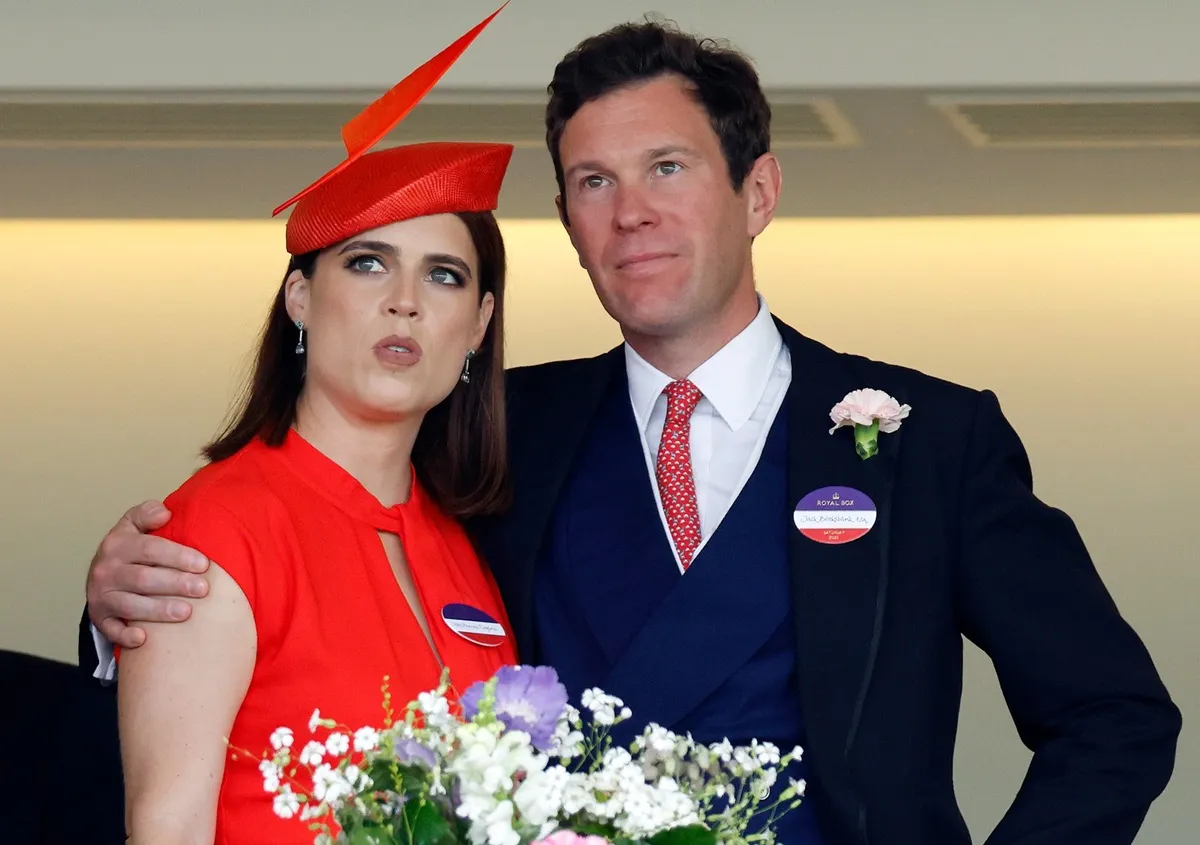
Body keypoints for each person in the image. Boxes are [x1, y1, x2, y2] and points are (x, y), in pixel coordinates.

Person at [81, 18, 1181, 845]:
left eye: (668, 168)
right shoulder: (502, 433)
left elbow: (1115, 713)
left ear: (757, 191)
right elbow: (303, 550)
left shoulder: (928, 437)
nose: (631, 211)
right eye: (592, 182)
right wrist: (124, 597)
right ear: (567, 224)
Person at [108, 7, 518, 844]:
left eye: (442, 275)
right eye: (368, 262)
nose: (404, 298)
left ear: (476, 326)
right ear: (300, 297)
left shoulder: (465, 542)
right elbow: (168, 826)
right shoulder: (215, 528)